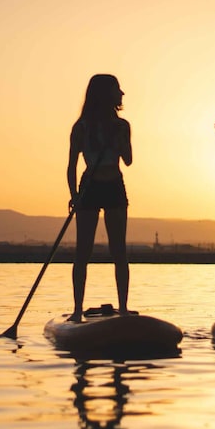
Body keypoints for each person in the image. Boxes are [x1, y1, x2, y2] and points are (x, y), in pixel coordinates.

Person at [66, 74, 133, 322]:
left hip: (114, 184)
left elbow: (128, 160)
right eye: (117, 89)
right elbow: (72, 165)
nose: (122, 94)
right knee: (82, 251)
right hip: (89, 187)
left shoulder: (122, 125)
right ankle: (76, 310)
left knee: (119, 251)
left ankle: (124, 308)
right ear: (105, 94)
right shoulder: (81, 127)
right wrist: (73, 195)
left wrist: (119, 139)